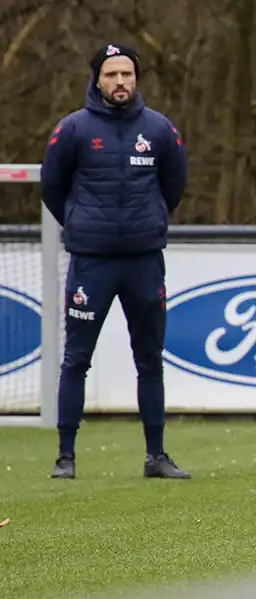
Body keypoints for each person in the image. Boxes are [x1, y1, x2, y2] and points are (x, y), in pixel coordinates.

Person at [39, 43, 190, 480]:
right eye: (111, 75)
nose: (120, 82)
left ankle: (156, 457)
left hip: (144, 261)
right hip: (92, 263)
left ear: (136, 78)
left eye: (126, 74)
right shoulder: (72, 129)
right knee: (76, 359)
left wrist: (151, 219)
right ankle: (65, 458)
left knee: (149, 358)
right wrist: (78, 221)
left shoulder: (160, 130)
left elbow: (174, 185)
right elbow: (52, 187)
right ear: (97, 80)